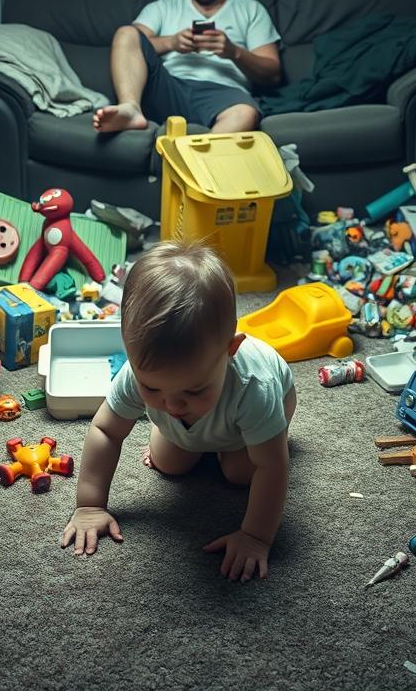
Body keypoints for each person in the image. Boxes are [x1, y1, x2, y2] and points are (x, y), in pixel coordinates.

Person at [60, 241, 296, 582]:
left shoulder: (253, 387)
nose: (171, 404)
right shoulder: (138, 373)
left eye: (194, 389)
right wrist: (90, 505)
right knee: (170, 463)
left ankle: (234, 441)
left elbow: (272, 466)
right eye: (152, 388)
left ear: (230, 351)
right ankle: (185, 432)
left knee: (241, 473)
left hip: (259, 416)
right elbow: (106, 430)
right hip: (205, 425)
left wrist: (256, 537)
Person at [92, 0, 281, 135]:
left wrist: (234, 52)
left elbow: (272, 74)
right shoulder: (163, 8)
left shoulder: (251, 9)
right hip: (169, 87)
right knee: (126, 32)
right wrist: (171, 43)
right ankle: (131, 109)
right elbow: (128, 45)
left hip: (224, 95)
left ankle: (197, 160)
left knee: (245, 114)